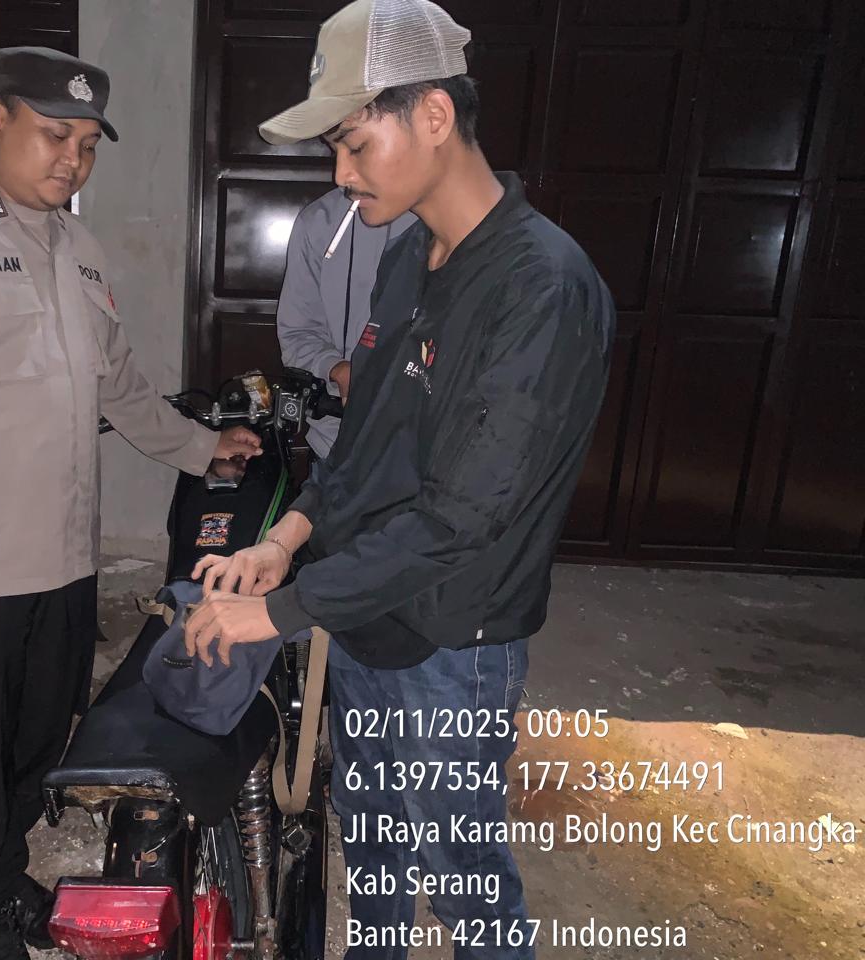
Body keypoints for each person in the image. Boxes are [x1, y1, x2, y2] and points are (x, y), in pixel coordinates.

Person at [183, 1, 615, 958]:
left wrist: (280, 612)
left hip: (453, 639)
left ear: (434, 115)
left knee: (461, 878)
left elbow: (463, 516)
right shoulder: (409, 255)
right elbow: (368, 442)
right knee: (371, 839)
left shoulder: (542, 288)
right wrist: (285, 540)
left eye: (353, 143)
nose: (340, 174)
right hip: (363, 609)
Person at [0, 47, 260, 960]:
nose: (72, 160)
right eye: (53, 136)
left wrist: (203, 447)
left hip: (65, 556)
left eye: (86, 145)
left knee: (39, 737)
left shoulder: (79, 250)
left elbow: (118, 384)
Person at [277, 188, 414, 458]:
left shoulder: (450, 215)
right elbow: (297, 332)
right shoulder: (319, 220)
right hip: (334, 443)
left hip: (428, 449)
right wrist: (336, 368)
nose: (343, 173)